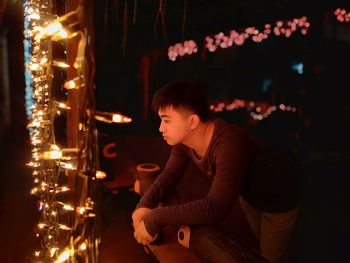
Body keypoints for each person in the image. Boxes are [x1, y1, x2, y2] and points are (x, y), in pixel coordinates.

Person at [132, 79, 301, 263]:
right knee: (258, 242)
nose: (160, 128)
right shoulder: (185, 141)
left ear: (193, 121)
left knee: (270, 257)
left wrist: (155, 218)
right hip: (248, 194)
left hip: (279, 196)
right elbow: (170, 175)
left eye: (166, 120)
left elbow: (216, 208)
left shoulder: (229, 144)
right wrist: (143, 206)